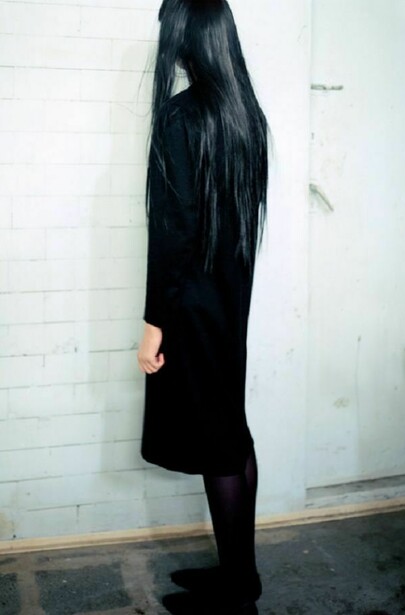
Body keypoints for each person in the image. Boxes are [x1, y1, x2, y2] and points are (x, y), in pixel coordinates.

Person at [137, 1, 268, 613]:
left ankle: (237, 590)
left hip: (191, 305)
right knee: (231, 432)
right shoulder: (246, 114)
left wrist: (153, 325)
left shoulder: (181, 115)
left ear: (184, 37)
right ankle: (239, 574)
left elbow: (175, 232)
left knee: (220, 440)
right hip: (227, 302)